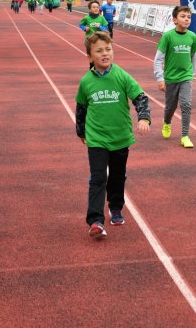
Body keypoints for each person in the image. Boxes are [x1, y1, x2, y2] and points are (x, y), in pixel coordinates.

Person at [75, 32, 151, 239]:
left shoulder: (122, 76)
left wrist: (143, 118)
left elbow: (141, 98)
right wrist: (81, 131)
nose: (105, 54)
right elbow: (81, 108)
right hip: (97, 138)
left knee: (117, 175)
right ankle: (95, 220)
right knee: (98, 178)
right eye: (99, 51)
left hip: (120, 137)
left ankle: (115, 207)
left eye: (108, 49)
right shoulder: (86, 82)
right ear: (90, 57)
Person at [153, 6, 196, 148]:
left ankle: (185, 136)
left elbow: (194, 57)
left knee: (186, 105)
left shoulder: (192, 36)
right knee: (170, 107)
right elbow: (158, 60)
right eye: (183, 16)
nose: (186, 19)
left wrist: (192, 74)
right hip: (171, 78)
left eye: (189, 17)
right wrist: (160, 78)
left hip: (186, 77)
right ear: (174, 20)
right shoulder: (168, 36)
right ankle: (167, 123)